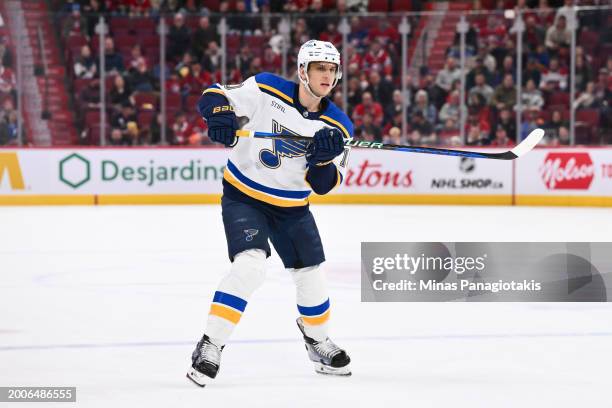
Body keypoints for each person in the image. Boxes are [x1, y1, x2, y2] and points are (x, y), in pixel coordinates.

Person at [188, 40, 353, 387]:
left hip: (293, 208)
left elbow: (323, 185)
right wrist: (220, 115)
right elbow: (213, 95)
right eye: (318, 68)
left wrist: (322, 159)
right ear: (302, 71)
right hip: (245, 196)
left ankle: (317, 340)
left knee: (311, 275)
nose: (326, 75)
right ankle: (210, 344)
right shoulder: (266, 88)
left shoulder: (339, 127)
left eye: (331, 69)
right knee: (250, 265)